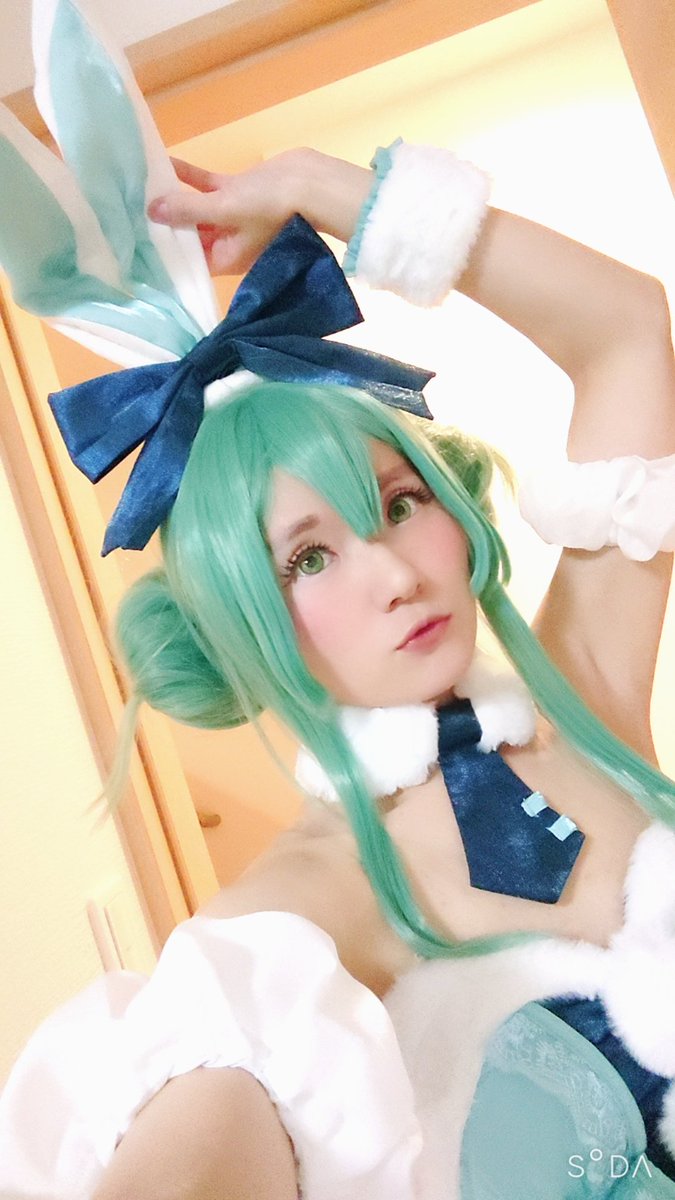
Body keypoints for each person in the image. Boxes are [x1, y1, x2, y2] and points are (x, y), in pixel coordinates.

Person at [0, 11, 674, 1195]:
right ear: (243, 628)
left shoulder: (588, 690)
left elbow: (628, 332)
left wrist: (334, 192)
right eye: (308, 560)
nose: (395, 573)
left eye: (398, 502)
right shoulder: (313, 903)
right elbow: (201, 1140)